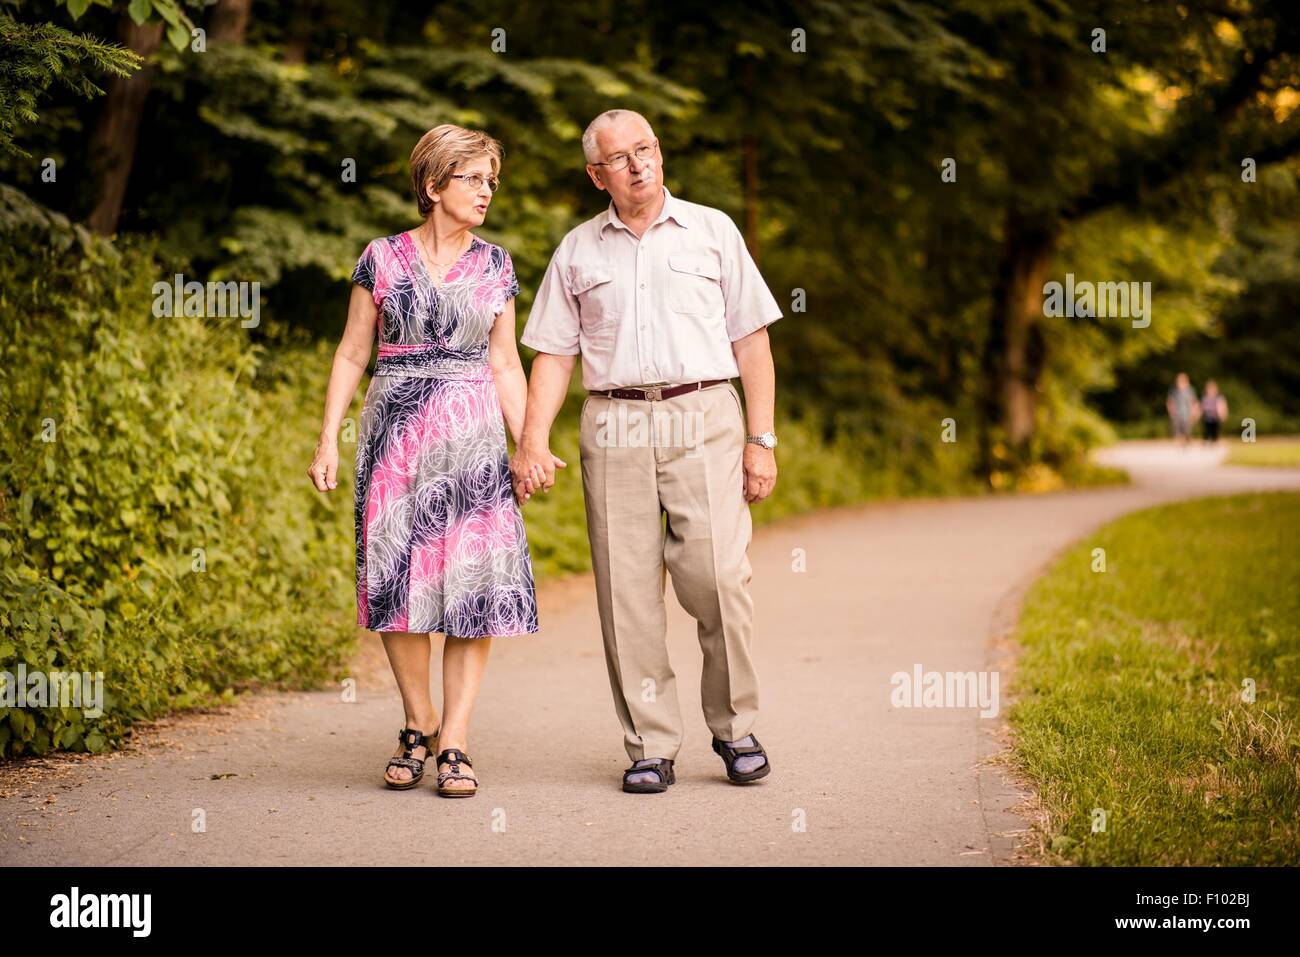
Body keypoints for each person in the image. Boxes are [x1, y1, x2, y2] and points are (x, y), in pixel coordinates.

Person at [511, 108, 783, 793]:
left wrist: (761, 438)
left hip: (703, 413)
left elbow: (753, 342)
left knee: (718, 576)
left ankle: (735, 726)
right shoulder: (577, 251)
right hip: (615, 421)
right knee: (625, 592)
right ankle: (650, 745)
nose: (639, 164)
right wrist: (531, 439)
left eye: (647, 149)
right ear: (596, 175)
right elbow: (552, 355)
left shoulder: (712, 230)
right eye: (622, 157)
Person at [308, 124, 557, 797]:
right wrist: (329, 435)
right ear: (432, 184)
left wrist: (529, 441)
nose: (486, 191)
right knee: (397, 581)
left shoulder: (497, 265)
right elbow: (352, 352)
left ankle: (455, 740)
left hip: (473, 440)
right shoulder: (381, 258)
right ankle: (417, 721)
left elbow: (506, 362)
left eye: (491, 181)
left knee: (470, 588)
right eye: (473, 178)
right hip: (394, 436)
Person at [1166, 372, 1199, 447]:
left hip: (1187, 413)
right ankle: (1180, 443)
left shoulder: (1190, 390)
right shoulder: (1174, 391)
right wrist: (1171, 411)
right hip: (1177, 413)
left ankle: (1187, 441)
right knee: (1177, 429)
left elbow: (1194, 402)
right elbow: (1170, 401)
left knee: (1187, 429)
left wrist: (1195, 412)